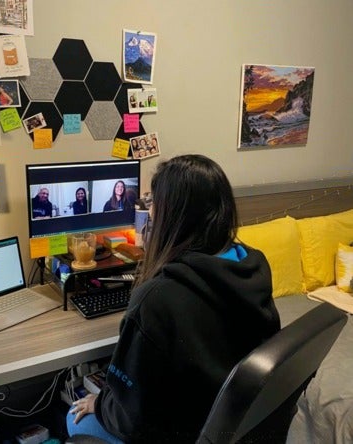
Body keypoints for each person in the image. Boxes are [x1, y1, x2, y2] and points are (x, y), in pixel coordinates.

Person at [67, 154, 280, 443]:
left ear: (171, 215)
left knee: (73, 418)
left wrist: (100, 403)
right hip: (226, 422)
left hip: (177, 428)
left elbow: (129, 417)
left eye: (152, 202)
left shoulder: (156, 299)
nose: (148, 210)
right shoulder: (252, 265)